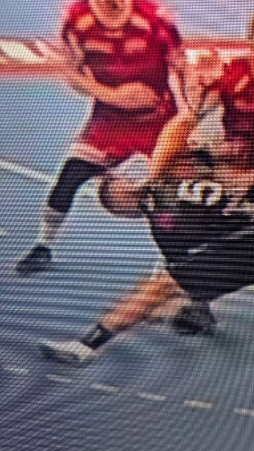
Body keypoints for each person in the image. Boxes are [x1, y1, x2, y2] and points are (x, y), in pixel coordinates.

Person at [39, 7, 254, 363]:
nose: (251, 52)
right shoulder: (233, 80)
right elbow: (183, 123)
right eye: (250, 43)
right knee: (172, 285)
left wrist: (240, 177)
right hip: (251, 231)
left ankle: (87, 346)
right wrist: (162, 173)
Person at [16, 0, 183, 275]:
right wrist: (112, 95)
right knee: (71, 175)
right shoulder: (77, 21)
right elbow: (73, 75)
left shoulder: (155, 17)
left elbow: (181, 66)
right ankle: (43, 246)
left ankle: (179, 260)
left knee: (171, 191)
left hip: (160, 119)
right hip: (110, 123)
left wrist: (188, 118)